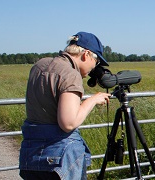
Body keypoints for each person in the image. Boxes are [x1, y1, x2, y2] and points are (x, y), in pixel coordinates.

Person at [19, 32, 111, 180]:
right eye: (96, 61)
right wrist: (92, 100)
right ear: (86, 54)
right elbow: (68, 123)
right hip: (58, 155)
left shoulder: (39, 65)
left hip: (31, 152)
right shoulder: (70, 74)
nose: (94, 67)